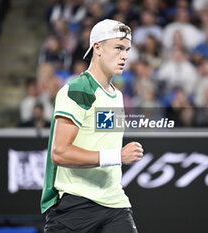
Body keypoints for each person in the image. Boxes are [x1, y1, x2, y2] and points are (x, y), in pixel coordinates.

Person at [41, 19, 143, 233]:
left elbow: (98, 138)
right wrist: (117, 156)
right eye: (118, 48)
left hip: (115, 204)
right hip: (75, 206)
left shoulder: (117, 96)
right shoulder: (79, 89)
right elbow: (59, 153)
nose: (125, 56)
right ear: (97, 48)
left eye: (127, 50)